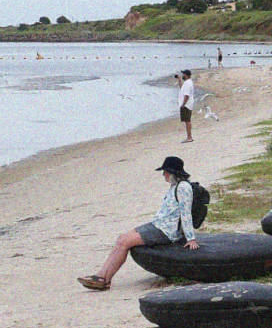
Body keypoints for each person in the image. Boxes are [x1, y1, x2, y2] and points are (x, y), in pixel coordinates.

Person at [79, 155, 201, 290]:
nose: (163, 174)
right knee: (121, 239)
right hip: (158, 225)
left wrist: (191, 238)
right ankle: (101, 276)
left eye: (165, 171)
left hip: (166, 231)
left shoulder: (183, 187)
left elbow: (186, 213)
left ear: (173, 172)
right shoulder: (175, 185)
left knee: (125, 242)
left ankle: (104, 279)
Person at [176, 69, 197, 143]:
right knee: (187, 121)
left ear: (186, 75)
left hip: (187, 105)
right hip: (187, 104)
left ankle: (189, 137)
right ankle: (189, 136)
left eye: (183, 74)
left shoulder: (188, 83)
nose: (182, 75)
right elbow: (182, 89)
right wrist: (179, 80)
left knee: (187, 121)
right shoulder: (187, 82)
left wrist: (183, 104)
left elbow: (187, 95)